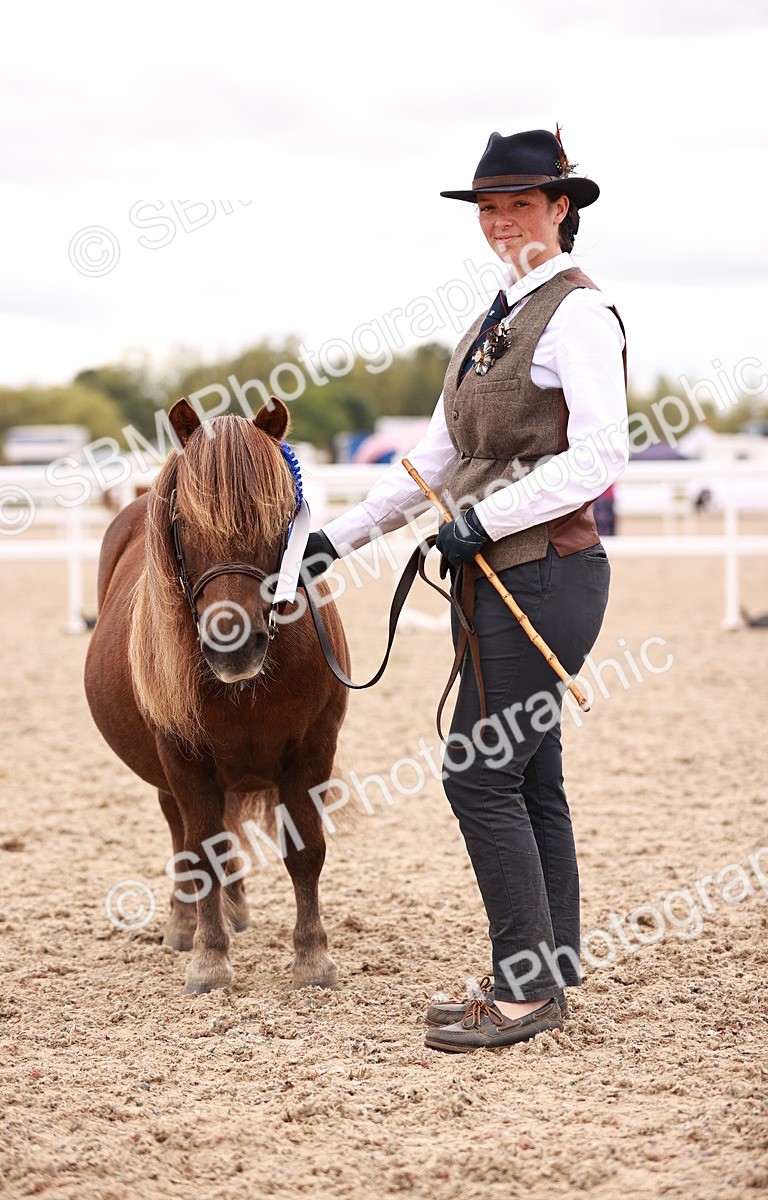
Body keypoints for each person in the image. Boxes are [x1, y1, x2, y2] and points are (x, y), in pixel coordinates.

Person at [303, 128, 628, 1052]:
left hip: (549, 573)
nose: (500, 222)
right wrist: (341, 537)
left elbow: (603, 451)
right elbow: (440, 460)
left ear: (562, 208)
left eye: (519, 204)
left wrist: (484, 520)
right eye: (489, 207)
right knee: (531, 774)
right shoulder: (492, 321)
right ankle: (551, 968)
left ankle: (523, 991)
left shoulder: (579, 316)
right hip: (494, 578)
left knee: (477, 769)